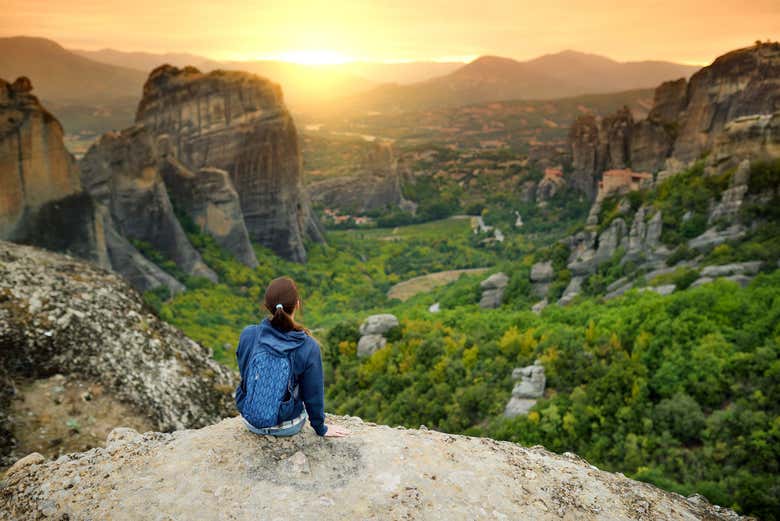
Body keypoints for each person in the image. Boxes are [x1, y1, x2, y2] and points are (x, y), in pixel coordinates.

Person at [235, 276, 349, 437]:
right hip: (287, 427)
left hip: (250, 422)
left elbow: (245, 373)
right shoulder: (308, 346)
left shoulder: (248, 334)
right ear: (297, 304)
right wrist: (321, 428)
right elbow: (313, 394)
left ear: (267, 306)